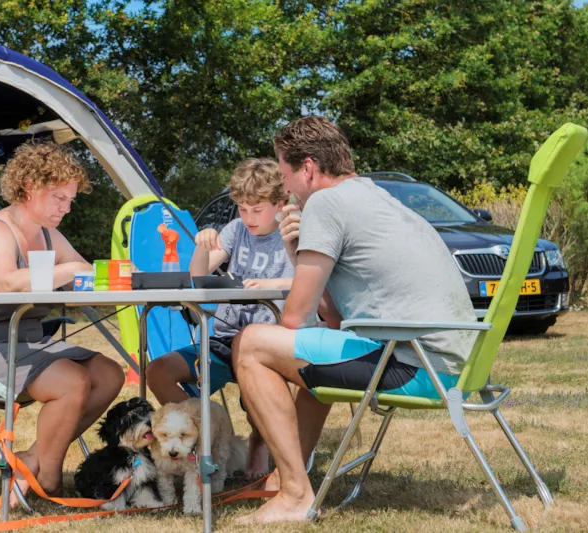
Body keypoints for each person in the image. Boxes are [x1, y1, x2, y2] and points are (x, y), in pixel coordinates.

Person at [232, 117, 477, 524]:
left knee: (251, 343)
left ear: (307, 168)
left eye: (286, 174)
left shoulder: (326, 204)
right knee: (313, 352)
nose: (286, 188)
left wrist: (294, 247)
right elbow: (333, 316)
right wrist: (297, 251)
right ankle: (285, 478)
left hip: (411, 364)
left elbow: (294, 318)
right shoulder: (371, 194)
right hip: (450, 364)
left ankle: (294, 494)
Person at [0, 141, 125, 502]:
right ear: (31, 188)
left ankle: (33, 459)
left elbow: (83, 273)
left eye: (70, 200)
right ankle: (49, 479)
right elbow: (5, 282)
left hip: (28, 344)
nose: (66, 208)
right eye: (59, 198)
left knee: (109, 375)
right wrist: (65, 269)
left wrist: (136, 276)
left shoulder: (49, 235)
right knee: (71, 381)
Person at [145, 158, 294, 478]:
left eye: (257, 209)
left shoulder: (291, 233)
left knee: (260, 393)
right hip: (222, 339)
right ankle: (205, 434)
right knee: (158, 371)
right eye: (242, 208)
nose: (249, 217)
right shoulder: (236, 230)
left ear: (280, 203)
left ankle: (259, 440)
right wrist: (201, 244)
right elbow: (197, 275)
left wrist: (270, 284)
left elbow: (302, 281)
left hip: (265, 343)